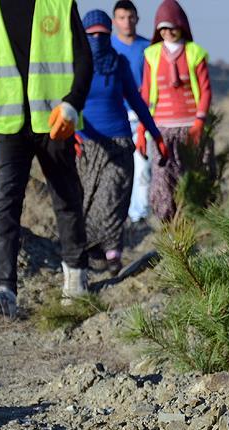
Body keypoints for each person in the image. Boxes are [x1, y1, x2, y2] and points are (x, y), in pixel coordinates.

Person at [0, 0, 93, 317]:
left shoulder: (60, 4)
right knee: (4, 203)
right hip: (5, 125)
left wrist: (71, 104)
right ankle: (3, 292)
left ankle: (76, 277)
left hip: (52, 121)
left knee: (66, 195)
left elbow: (84, 60)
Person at [77, 10, 168, 276]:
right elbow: (64, 103)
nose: (97, 39)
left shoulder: (118, 64)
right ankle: (93, 252)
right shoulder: (75, 64)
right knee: (89, 202)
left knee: (113, 196)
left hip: (118, 141)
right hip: (87, 143)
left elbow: (137, 100)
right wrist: (70, 135)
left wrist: (154, 133)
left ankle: (114, 253)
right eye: (91, 35)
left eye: (102, 35)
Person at [138, 0, 212, 222]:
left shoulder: (195, 53)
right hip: (161, 129)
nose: (169, 32)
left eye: (172, 26)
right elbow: (145, 94)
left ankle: (194, 228)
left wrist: (199, 122)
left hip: (190, 128)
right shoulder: (151, 55)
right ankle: (170, 232)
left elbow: (206, 90)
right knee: (162, 181)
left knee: (191, 180)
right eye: (163, 27)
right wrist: (142, 129)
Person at [110, 1, 154, 224]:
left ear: (137, 18)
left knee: (143, 168)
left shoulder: (149, 48)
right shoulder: (107, 47)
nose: (126, 22)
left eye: (130, 17)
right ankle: (116, 215)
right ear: (114, 21)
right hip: (115, 117)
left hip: (142, 117)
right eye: (121, 17)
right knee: (116, 169)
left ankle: (139, 217)